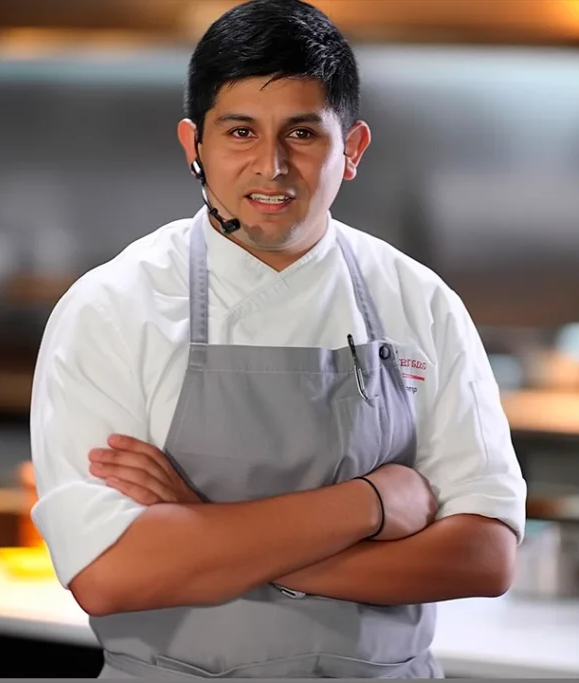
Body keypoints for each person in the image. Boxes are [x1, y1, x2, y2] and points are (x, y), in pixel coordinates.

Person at [29, 0, 527, 678]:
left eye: (302, 133)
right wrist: (373, 503)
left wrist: (206, 528)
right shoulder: (112, 309)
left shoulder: (421, 302)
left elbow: (485, 555)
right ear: (193, 146)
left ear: (352, 149)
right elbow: (109, 572)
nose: (271, 165)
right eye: (240, 132)